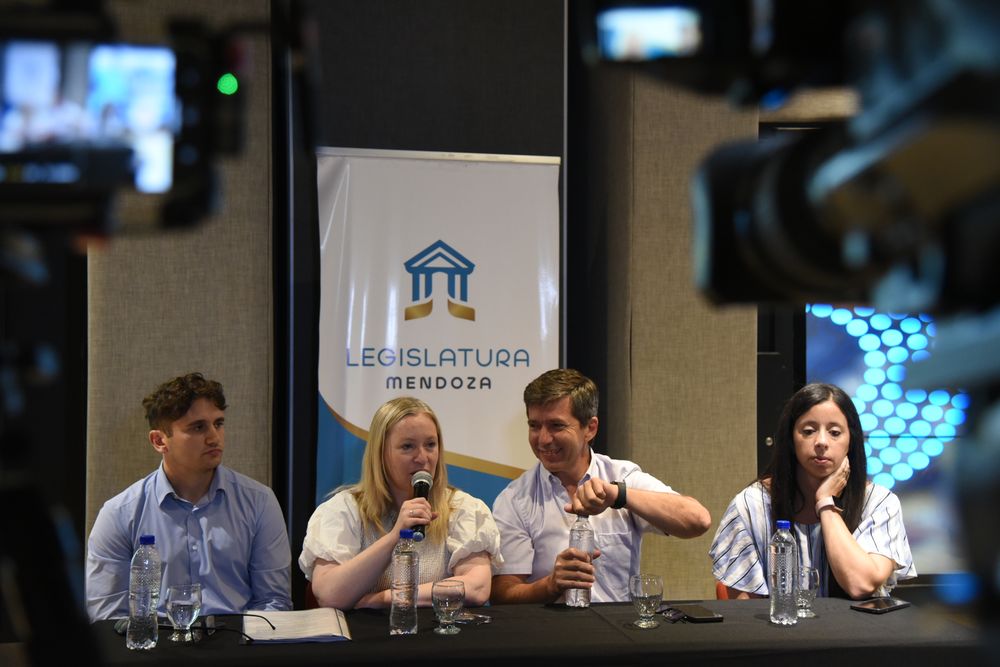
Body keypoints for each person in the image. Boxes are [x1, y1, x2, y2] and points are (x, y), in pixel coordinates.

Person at [490, 368, 712, 603]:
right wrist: (550, 585)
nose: (543, 439)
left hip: (618, 632)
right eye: (535, 426)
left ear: (590, 428)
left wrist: (618, 495)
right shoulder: (515, 499)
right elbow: (503, 594)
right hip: (549, 633)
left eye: (556, 426)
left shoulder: (622, 476)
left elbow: (698, 520)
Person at [85, 373, 292, 620]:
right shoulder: (120, 513)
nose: (214, 437)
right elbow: (107, 615)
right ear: (159, 440)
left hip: (238, 646)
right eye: (198, 427)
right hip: (156, 649)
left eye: (218, 423)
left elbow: (274, 602)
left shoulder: (259, 501)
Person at [710, 382, 916, 600]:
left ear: (851, 440)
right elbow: (743, 611)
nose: (821, 442)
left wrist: (826, 503)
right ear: (790, 438)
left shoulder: (879, 502)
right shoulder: (751, 504)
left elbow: (860, 584)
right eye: (808, 431)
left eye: (835, 432)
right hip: (776, 632)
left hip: (858, 633)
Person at [299, 396, 502, 609]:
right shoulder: (343, 510)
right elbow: (329, 595)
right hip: (363, 639)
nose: (423, 457)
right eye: (407, 446)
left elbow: (476, 588)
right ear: (381, 454)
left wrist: (384, 599)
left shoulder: (462, 508)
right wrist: (395, 536)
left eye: (430, 445)